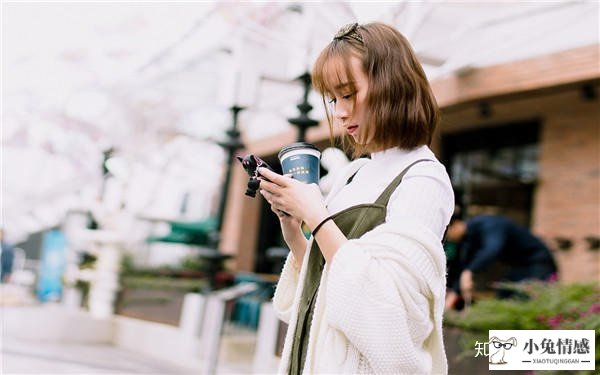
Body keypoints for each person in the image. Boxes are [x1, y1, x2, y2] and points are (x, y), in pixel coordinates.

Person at [258, 22, 454, 374]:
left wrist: (317, 217)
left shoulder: (423, 178)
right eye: (333, 99)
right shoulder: (355, 173)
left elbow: (390, 320)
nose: (340, 112)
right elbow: (322, 295)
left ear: (393, 86)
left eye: (349, 94)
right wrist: (296, 235)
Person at [444, 213, 558, 310]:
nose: (449, 239)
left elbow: (492, 248)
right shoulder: (469, 240)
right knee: (504, 294)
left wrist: (469, 271)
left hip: (538, 263)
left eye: (447, 234)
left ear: (456, 224)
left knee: (526, 300)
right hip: (520, 267)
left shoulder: (488, 224)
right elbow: (465, 266)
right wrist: (453, 295)